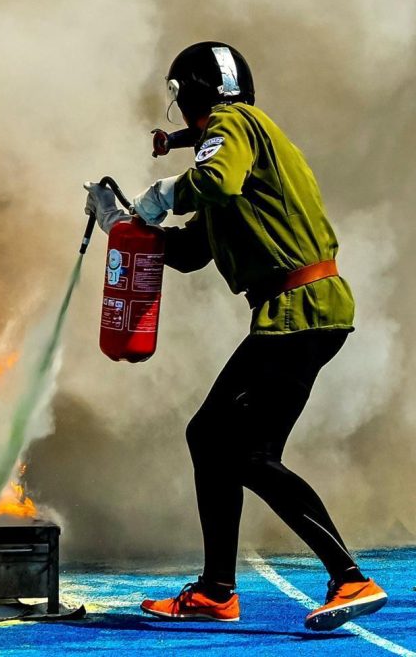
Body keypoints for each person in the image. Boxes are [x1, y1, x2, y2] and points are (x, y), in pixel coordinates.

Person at [85, 41, 387, 633]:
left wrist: (167, 192)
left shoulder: (234, 123)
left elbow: (213, 181)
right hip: (295, 313)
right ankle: (217, 590)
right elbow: (193, 252)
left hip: (301, 311)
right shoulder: (237, 157)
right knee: (211, 437)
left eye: (179, 99)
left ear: (194, 92)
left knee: (245, 452)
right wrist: (120, 228)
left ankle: (349, 576)